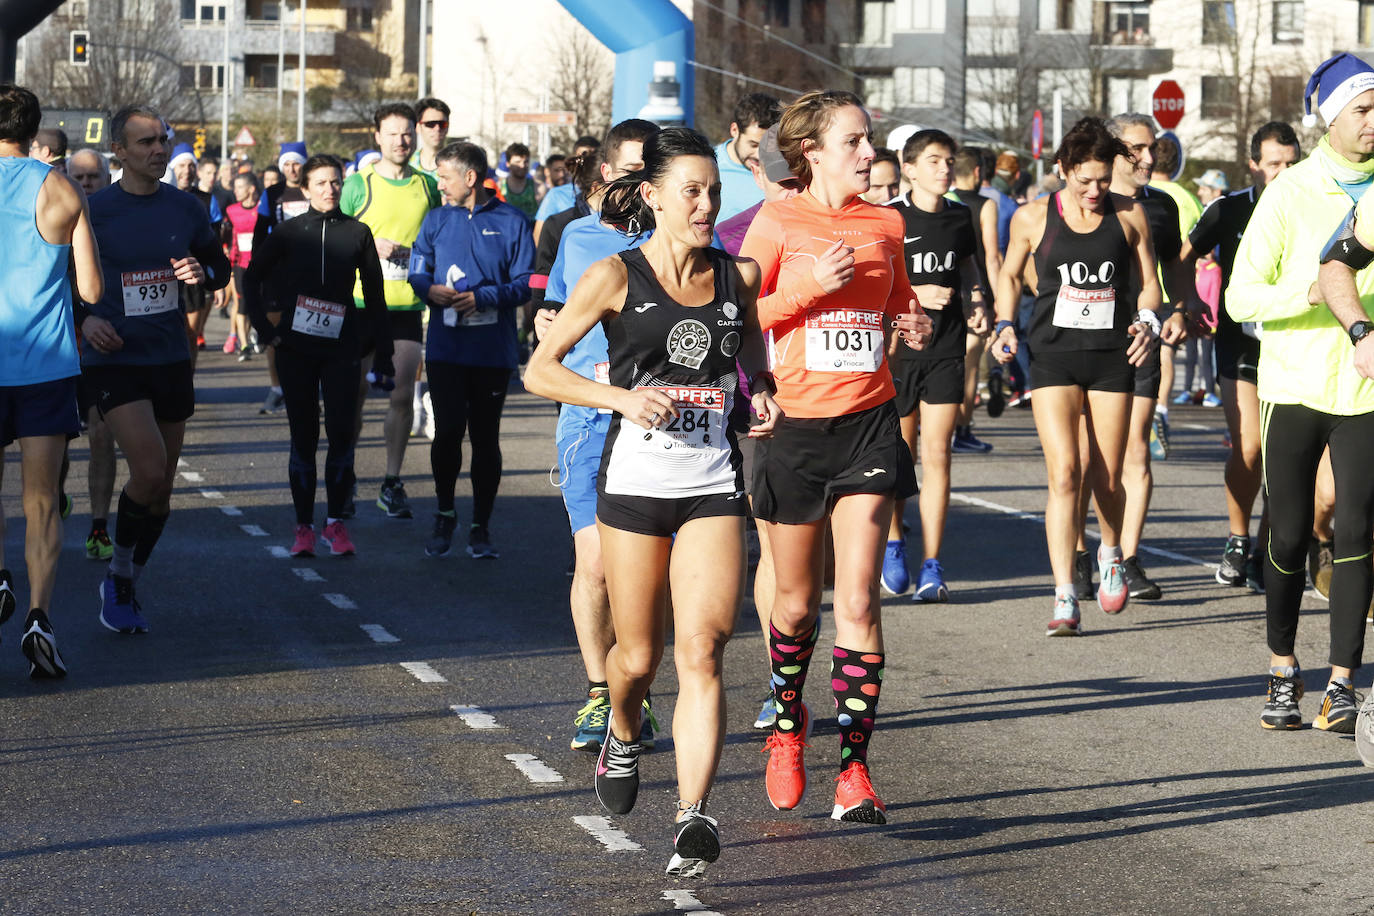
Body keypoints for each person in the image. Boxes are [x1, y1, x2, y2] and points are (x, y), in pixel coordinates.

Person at [525, 126, 780, 877]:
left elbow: (749, 355)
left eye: (714, 191)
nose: (706, 204)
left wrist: (757, 392)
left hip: (710, 486)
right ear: (654, 196)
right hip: (634, 486)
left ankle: (692, 816)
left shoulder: (742, 277)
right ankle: (624, 730)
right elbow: (540, 370)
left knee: (703, 649)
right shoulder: (612, 275)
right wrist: (619, 399)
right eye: (691, 191)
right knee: (636, 658)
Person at [739, 89, 933, 825]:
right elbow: (741, 311)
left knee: (857, 599)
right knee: (794, 603)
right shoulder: (778, 218)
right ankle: (788, 722)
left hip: (868, 424)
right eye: (853, 142)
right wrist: (805, 287)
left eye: (870, 140)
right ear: (811, 151)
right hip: (795, 428)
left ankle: (854, 771)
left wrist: (907, 319)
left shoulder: (886, 221)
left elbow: (895, 302)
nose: (869, 153)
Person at [1230, 53, 1374, 733]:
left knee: (1357, 526)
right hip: (1291, 382)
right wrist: (1309, 291)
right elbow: (1239, 298)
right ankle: (1283, 666)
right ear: (1332, 118)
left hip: (1364, 386)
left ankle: (1342, 682)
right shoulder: (1290, 193)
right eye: (1363, 109)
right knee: (1288, 532)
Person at [992, 117, 1162, 637]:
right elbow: (1006, 273)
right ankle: (1064, 592)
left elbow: (1150, 284)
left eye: (1103, 180)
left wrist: (1149, 320)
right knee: (1064, 473)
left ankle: (1111, 552)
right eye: (1083, 180)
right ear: (1062, 170)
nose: (1094, 190)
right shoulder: (1032, 217)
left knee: (1106, 476)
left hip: (1111, 356)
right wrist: (1003, 323)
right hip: (1053, 357)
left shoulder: (1130, 216)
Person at [532, 119, 660, 753]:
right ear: (607, 173)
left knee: (646, 571)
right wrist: (544, 320)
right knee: (598, 565)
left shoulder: (673, 239)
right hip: (588, 418)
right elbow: (556, 309)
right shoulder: (575, 236)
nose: (642, 183)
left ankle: (634, 686)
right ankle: (598, 694)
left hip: (658, 419)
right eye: (632, 170)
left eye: (652, 171)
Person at [82, 104, 230, 634]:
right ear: (118, 151)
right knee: (146, 469)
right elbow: (61, 278)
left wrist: (202, 270)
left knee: (162, 489)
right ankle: (119, 576)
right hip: (115, 357)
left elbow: (219, 267)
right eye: (145, 143)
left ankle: (128, 576)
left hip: (170, 354)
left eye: (162, 141)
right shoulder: (94, 209)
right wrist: (84, 323)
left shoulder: (186, 208)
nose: (158, 150)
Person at [243, 154, 393, 557]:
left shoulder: (358, 233)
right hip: (296, 349)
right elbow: (252, 278)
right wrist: (267, 331)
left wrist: (384, 354)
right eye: (322, 183)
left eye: (336, 183)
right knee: (304, 438)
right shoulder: (290, 233)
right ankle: (304, 527)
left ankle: (336, 525)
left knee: (342, 435)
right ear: (306, 189)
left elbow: (376, 297)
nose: (330, 189)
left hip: (342, 348)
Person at [0, 84, 102, 677]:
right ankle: (40, 616)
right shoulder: (60, 187)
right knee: (41, 501)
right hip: (45, 364)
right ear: (36, 131)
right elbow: (90, 290)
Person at [1075, 112, 1186, 605]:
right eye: (1137, 149)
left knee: (1135, 450)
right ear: (1114, 151)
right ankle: (1079, 551)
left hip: (1142, 342)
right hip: (1086, 346)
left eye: (1152, 148)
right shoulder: (1086, 202)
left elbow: (1174, 270)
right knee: (1084, 458)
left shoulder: (1160, 207)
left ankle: (1126, 557)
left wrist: (1179, 309)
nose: (1147, 158)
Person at [1183, 122, 1300, 590]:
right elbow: (1181, 254)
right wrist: (1187, 301)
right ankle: (1237, 537)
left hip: (1292, 343)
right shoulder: (1229, 209)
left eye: (1291, 163)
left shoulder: (1309, 205)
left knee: (1282, 456)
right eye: (1274, 164)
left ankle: (1266, 548)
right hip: (1240, 343)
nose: (1283, 172)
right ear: (1253, 165)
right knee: (1250, 448)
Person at [711, 124, 801, 730]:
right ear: (759, 176)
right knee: (772, 546)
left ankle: (792, 669)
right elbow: (726, 324)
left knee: (811, 563)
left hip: (830, 409)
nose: (797, 191)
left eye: (804, 179)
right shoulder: (730, 239)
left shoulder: (841, 230)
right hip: (756, 410)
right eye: (786, 180)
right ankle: (780, 683)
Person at [410, 142, 534, 559]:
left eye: (444, 177)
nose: (439, 184)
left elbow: (523, 284)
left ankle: (481, 526)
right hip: (445, 349)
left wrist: (483, 298)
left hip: (490, 352)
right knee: (446, 433)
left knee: (485, 438)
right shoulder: (435, 220)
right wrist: (429, 289)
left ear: (469, 178)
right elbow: (417, 269)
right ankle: (445, 515)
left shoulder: (512, 221)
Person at [882, 130, 989, 602]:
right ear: (909, 168)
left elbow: (968, 266)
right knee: (899, 457)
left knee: (939, 455)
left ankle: (933, 563)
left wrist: (978, 299)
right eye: (933, 161)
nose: (944, 169)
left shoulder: (961, 216)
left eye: (948, 161)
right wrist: (915, 296)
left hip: (947, 348)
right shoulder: (891, 220)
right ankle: (893, 544)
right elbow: (875, 285)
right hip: (900, 352)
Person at [341, 102, 441, 519]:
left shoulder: (426, 185)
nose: (401, 141)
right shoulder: (358, 184)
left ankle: (391, 480)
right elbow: (335, 236)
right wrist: (368, 243)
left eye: (406, 133)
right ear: (377, 137)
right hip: (362, 303)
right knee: (354, 396)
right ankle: (343, 472)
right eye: (393, 133)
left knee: (401, 394)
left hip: (405, 306)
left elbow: (435, 235)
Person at [66, 148, 120, 562]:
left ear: (107, 177)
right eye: (79, 177)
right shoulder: (53, 215)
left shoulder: (117, 219)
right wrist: (84, 317)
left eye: (93, 177)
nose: (86, 185)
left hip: (105, 351)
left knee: (101, 436)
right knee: (57, 445)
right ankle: (54, 493)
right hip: (60, 347)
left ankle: (99, 526)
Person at [951, 147, 1005, 423]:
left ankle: (944, 426)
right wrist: (999, 297)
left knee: (948, 363)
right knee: (970, 363)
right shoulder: (986, 205)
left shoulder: (945, 202)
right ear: (977, 172)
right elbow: (993, 256)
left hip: (947, 288)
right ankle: (963, 427)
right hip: (976, 291)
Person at [223, 171, 270, 360]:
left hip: (261, 265)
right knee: (241, 304)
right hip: (240, 264)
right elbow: (226, 236)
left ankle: (255, 334)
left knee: (257, 304)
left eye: (239, 187)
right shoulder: (231, 210)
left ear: (251, 189)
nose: (235, 191)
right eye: (235, 187)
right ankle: (243, 345)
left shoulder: (262, 210)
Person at [715, 92, 782, 222]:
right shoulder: (708, 166)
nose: (759, 155)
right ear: (734, 130)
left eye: (767, 146)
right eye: (753, 145)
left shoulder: (782, 174)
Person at [534, 134, 600, 240]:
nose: (587, 162)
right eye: (583, 156)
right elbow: (539, 235)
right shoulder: (556, 194)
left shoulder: (610, 192)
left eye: (593, 157)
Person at [411, 97, 450, 176]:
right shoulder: (408, 165)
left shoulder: (457, 165)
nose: (437, 129)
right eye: (430, 124)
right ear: (418, 127)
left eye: (442, 124)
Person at [498, 142, 539, 220]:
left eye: (526, 162)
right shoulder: (499, 187)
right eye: (517, 162)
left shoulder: (537, 187)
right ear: (508, 164)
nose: (522, 166)